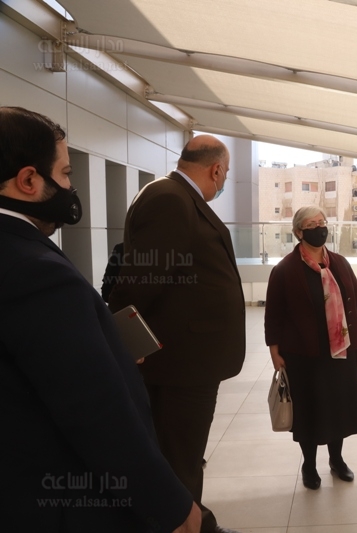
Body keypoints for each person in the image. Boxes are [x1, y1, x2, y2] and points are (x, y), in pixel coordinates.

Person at [0, 106, 200, 532]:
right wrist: (172, 506)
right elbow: (95, 412)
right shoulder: (36, 271)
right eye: (65, 173)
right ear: (29, 181)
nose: (69, 187)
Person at [109, 135, 245, 533]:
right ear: (216, 170)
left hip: (188, 359)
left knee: (182, 453)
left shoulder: (176, 196)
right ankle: (190, 526)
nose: (223, 180)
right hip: (181, 363)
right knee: (180, 455)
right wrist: (126, 342)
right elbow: (140, 281)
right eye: (225, 173)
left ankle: (196, 521)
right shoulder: (170, 198)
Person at [265, 206, 357, 489]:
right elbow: (274, 315)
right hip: (304, 355)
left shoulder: (340, 263)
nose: (319, 228)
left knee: (339, 407)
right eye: (311, 224)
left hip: (342, 351)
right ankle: (309, 465)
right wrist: (274, 351)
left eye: (322, 222)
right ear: (299, 232)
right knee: (309, 411)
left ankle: (337, 460)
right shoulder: (285, 270)